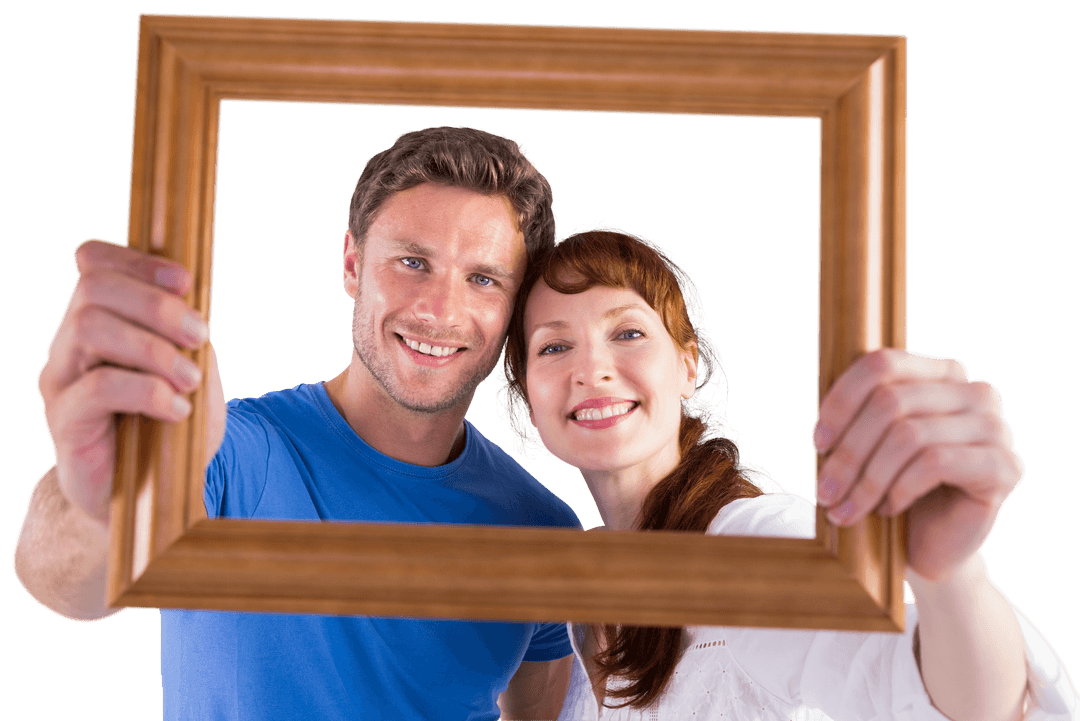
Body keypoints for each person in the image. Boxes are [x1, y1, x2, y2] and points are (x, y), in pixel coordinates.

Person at [13, 126, 582, 721]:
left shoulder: (539, 529)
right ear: (353, 264)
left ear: (515, 307)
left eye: (483, 279)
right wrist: (105, 502)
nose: (439, 311)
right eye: (413, 262)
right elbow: (64, 584)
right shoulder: (233, 455)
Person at [499, 226, 1080, 721]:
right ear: (526, 393)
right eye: (554, 347)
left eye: (627, 333)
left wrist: (950, 576)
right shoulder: (570, 600)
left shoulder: (753, 540)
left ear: (687, 366)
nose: (592, 370)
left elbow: (956, 700)